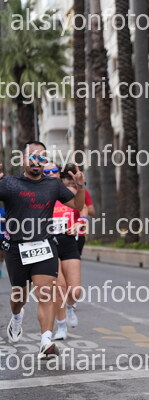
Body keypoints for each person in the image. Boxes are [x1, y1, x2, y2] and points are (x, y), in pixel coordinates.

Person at [4, 141, 85, 360]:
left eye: (41, 157)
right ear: (23, 159)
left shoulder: (53, 185)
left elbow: (77, 206)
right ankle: (17, 316)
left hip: (44, 245)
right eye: (32, 156)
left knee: (46, 292)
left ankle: (46, 341)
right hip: (16, 248)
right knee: (19, 295)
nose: (37, 161)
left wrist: (80, 187)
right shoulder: (10, 183)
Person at [50, 164, 88, 340]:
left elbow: (83, 208)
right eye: (47, 171)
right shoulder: (39, 194)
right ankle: (61, 327)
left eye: (54, 171)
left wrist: (80, 222)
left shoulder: (69, 192)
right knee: (60, 288)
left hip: (68, 241)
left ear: (59, 174)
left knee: (75, 291)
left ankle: (70, 307)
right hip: (49, 243)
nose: (51, 174)